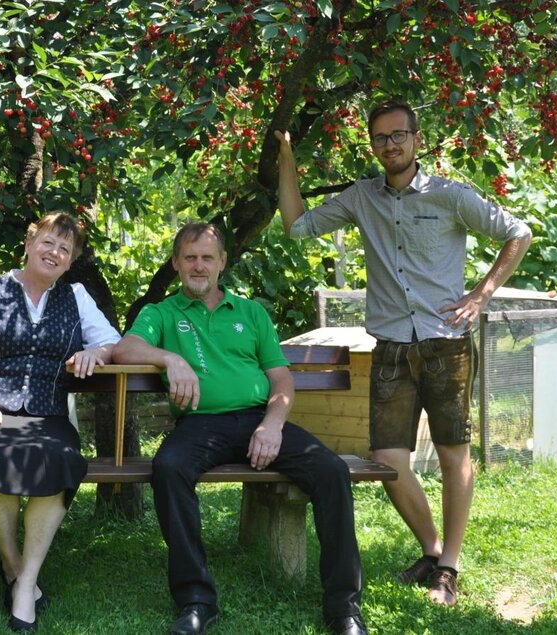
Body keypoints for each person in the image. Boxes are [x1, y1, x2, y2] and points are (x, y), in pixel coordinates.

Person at [275, 99, 533, 607]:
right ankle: (433, 550)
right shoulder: (361, 198)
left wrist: (481, 295)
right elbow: (297, 226)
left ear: (417, 139)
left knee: (454, 453)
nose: (390, 145)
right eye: (380, 138)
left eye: (399, 135)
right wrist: (286, 152)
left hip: (446, 343)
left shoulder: (451, 195)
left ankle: (450, 567)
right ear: (372, 146)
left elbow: (517, 232)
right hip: (391, 346)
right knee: (389, 460)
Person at [113, 223, 369, 635]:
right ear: (177, 262)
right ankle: (196, 601)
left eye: (207, 258)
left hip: (258, 419)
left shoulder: (250, 312)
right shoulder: (160, 312)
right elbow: (125, 348)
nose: (199, 266)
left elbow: (281, 378)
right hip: (199, 424)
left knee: (331, 471)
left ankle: (344, 608)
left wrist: (272, 425)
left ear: (222, 263)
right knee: (169, 469)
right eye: (190, 257)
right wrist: (170, 360)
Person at [0, 212, 120, 633]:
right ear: (30, 243)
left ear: (70, 263)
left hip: (47, 418)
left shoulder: (78, 298)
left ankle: (25, 580)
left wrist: (97, 355)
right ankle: (15, 567)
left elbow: (111, 342)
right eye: (49, 243)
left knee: (61, 460)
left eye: (65, 250)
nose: (55, 253)